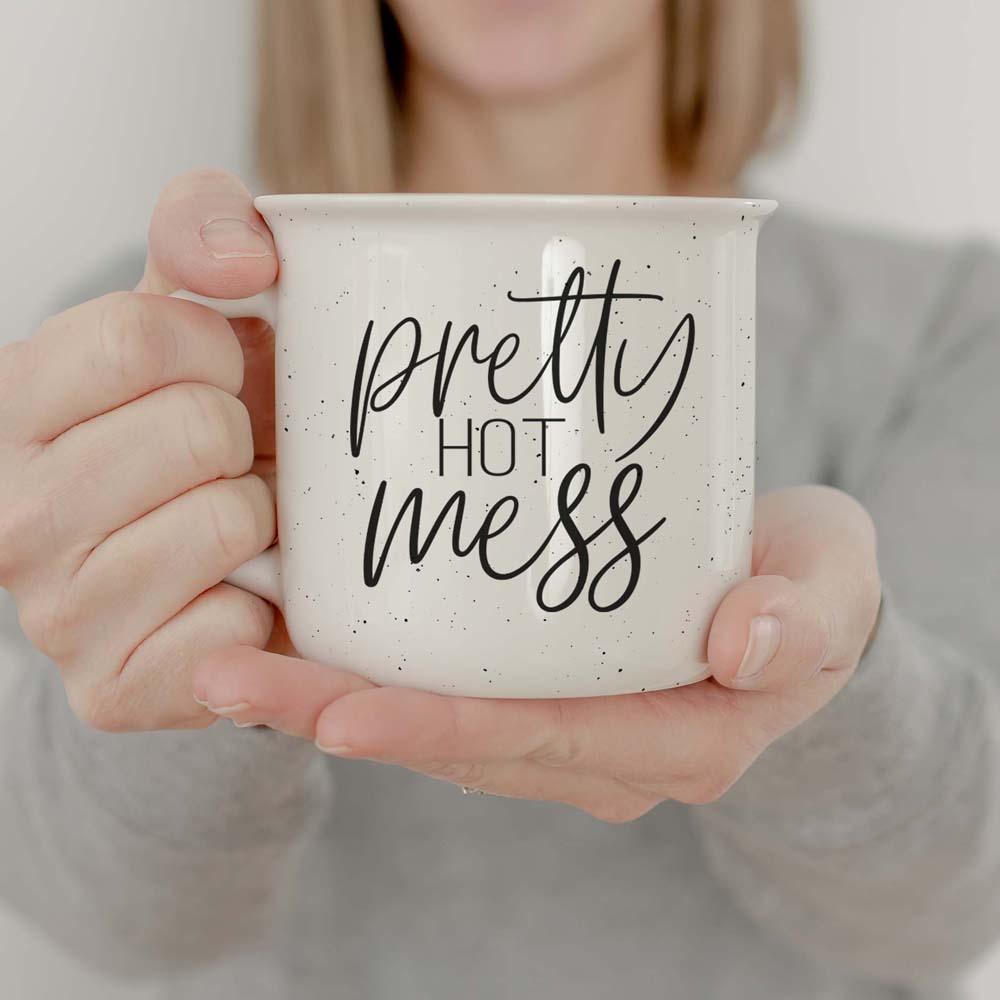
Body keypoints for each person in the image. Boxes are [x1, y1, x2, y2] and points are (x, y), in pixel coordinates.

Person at [1, 1, 998, 997]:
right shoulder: (160, 347)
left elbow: (958, 904)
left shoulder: (944, 329)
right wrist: (209, 644)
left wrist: (825, 682)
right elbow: (112, 921)